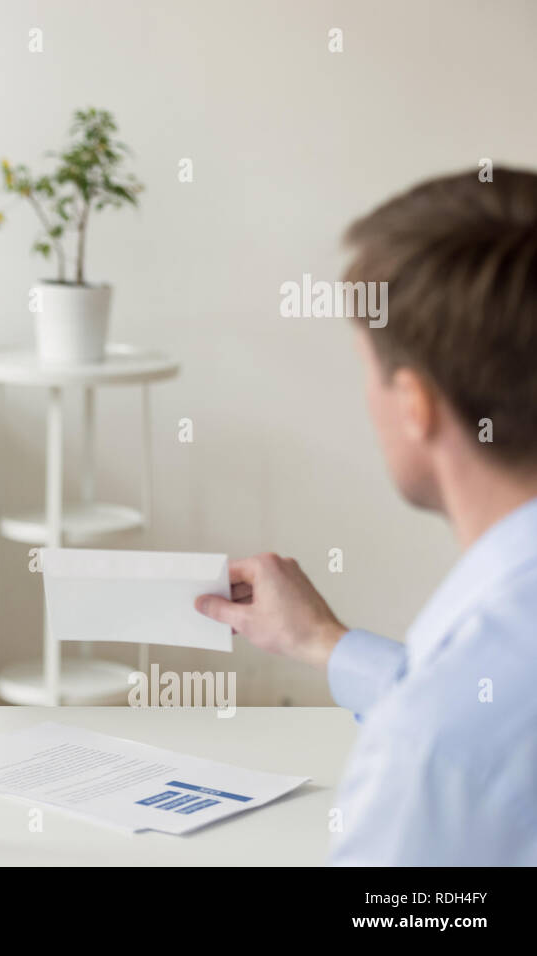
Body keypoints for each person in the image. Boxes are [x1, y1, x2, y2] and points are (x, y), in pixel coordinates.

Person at [195, 166, 537, 865]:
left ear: (415, 404)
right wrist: (324, 642)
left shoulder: (431, 753)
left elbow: (465, 737)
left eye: (368, 366)